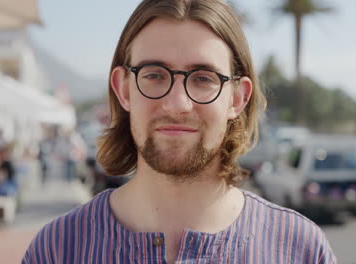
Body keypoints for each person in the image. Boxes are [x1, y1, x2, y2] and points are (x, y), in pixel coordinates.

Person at [22, 0, 336, 263]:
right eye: (155, 74)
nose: (177, 104)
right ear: (124, 89)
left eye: (203, 78)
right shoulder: (58, 250)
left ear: (238, 98)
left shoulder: (301, 251)